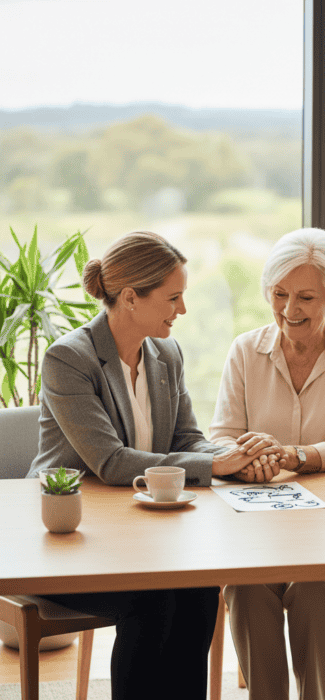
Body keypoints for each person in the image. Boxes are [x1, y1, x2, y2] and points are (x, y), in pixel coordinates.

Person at [27, 231, 281, 700]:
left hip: (146, 538)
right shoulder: (70, 358)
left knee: (199, 592)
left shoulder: (166, 354)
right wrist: (215, 468)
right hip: (70, 542)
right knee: (153, 602)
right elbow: (111, 462)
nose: (181, 310)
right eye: (173, 297)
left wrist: (235, 460)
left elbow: (188, 439)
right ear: (130, 298)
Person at [209, 227, 325, 700]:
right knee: (247, 586)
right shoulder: (245, 349)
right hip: (254, 519)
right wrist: (245, 460)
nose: (289, 309)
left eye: (305, 297)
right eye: (280, 294)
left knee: (315, 587)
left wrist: (294, 456)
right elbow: (219, 436)